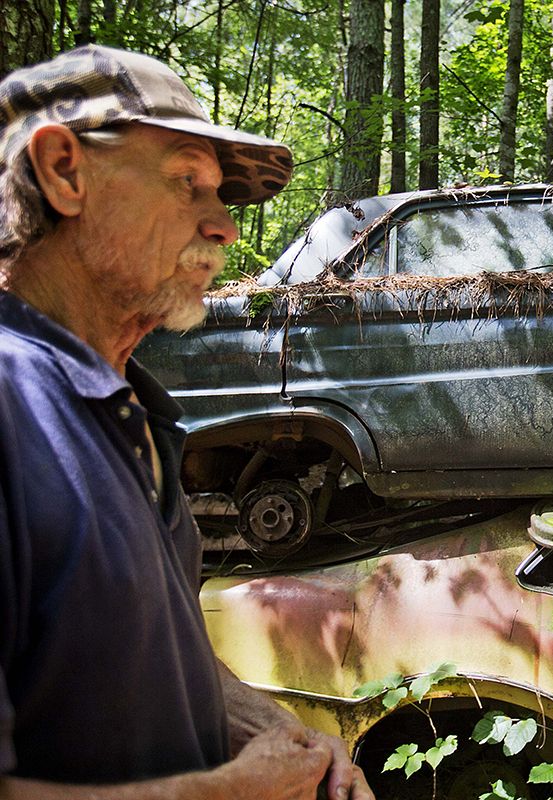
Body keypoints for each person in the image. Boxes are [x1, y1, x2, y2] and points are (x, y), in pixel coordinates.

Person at [0, 46, 374, 800]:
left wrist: (272, 732)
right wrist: (223, 794)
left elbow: (146, 650)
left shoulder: (134, 413)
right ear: (64, 171)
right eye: (187, 182)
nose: (225, 226)